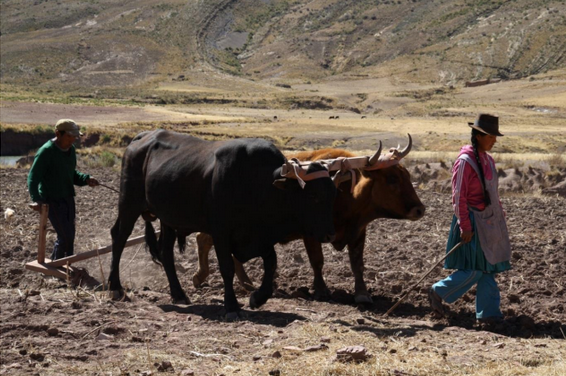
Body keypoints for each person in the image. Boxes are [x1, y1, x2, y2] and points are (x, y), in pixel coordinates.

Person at [429, 114, 511, 323]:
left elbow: (493, 193)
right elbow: (458, 196)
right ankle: (438, 292)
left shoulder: (488, 160)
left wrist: (499, 217)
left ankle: (489, 315)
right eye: (491, 136)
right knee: (474, 270)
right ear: (479, 135)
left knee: (488, 268)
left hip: (489, 223)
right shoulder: (465, 161)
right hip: (471, 223)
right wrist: (465, 226)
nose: (494, 141)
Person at [27, 119, 99, 260]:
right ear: (58, 134)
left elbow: (71, 174)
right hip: (51, 200)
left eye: (75, 136)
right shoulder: (46, 151)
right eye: (69, 136)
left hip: (68, 198)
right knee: (65, 236)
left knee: (69, 235)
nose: (73, 140)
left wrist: (85, 179)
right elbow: (33, 177)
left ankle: (63, 265)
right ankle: (58, 265)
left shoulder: (70, 150)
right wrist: (37, 199)